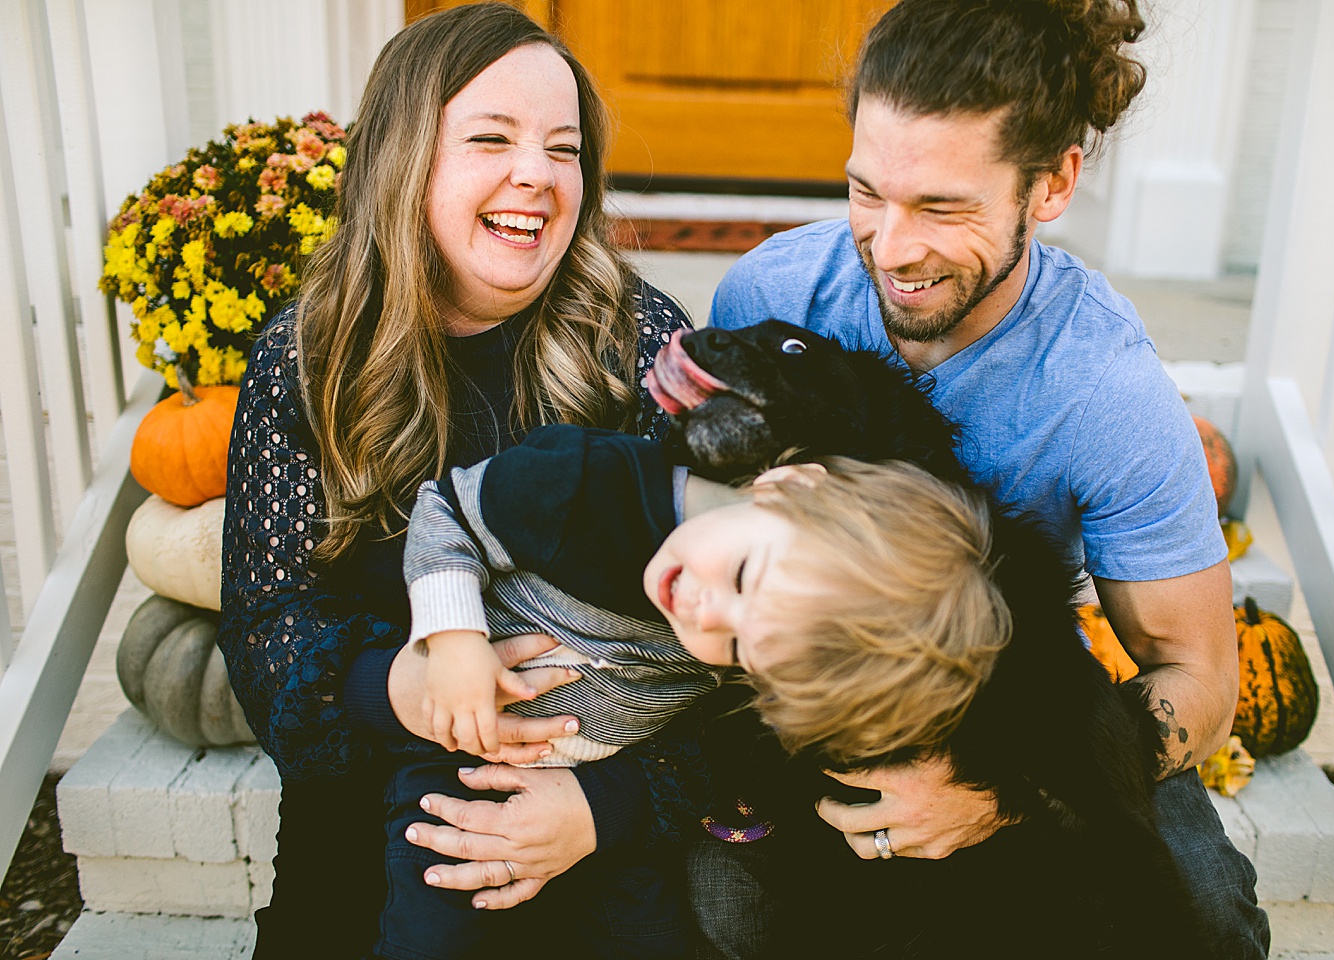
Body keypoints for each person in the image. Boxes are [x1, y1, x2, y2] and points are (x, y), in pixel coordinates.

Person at [706, 1, 1268, 957]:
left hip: (1025, 719)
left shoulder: (1109, 391)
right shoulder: (770, 298)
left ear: (1051, 185)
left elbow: (1202, 679)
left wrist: (1001, 791)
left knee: (1202, 912)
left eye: (942, 207)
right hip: (809, 713)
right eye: (867, 192)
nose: (890, 246)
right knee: (728, 908)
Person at [216, 5, 700, 957]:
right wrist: (402, 685)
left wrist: (600, 807)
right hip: (383, 797)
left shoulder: (638, 344)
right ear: (406, 158)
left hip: (597, 790)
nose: (537, 174)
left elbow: (741, 639)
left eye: (563, 150)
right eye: (492, 138)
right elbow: (269, 623)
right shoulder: (308, 355)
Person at [378, 422, 1010, 958]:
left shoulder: (784, 625)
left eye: (741, 647)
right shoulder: (593, 488)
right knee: (436, 933)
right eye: (742, 573)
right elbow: (448, 509)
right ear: (787, 486)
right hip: (467, 748)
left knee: (654, 936)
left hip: (604, 781)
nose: (706, 612)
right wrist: (453, 636)